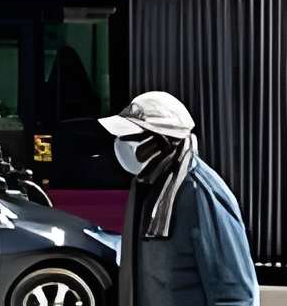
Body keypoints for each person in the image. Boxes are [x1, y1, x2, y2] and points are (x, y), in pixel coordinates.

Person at [101, 90, 255, 306]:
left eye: (132, 137)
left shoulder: (200, 193)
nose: (121, 143)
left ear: (162, 142)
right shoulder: (145, 185)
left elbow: (235, 294)